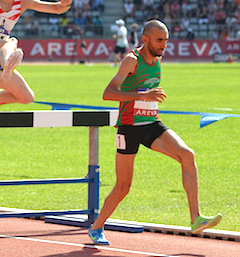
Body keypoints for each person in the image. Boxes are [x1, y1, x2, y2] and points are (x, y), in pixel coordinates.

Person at [88, 19, 222, 245]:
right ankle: (97, 227)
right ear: (145, 39)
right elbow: (108, 93)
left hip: (151, 124)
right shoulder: (131, 60)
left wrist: (148, 97)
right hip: (129, 128)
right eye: (159, 40)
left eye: (166, 41)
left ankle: (195, 218)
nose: (164, 45)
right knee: (123, 187)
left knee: (187, 155)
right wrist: (142, 96)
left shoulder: (158, 59)